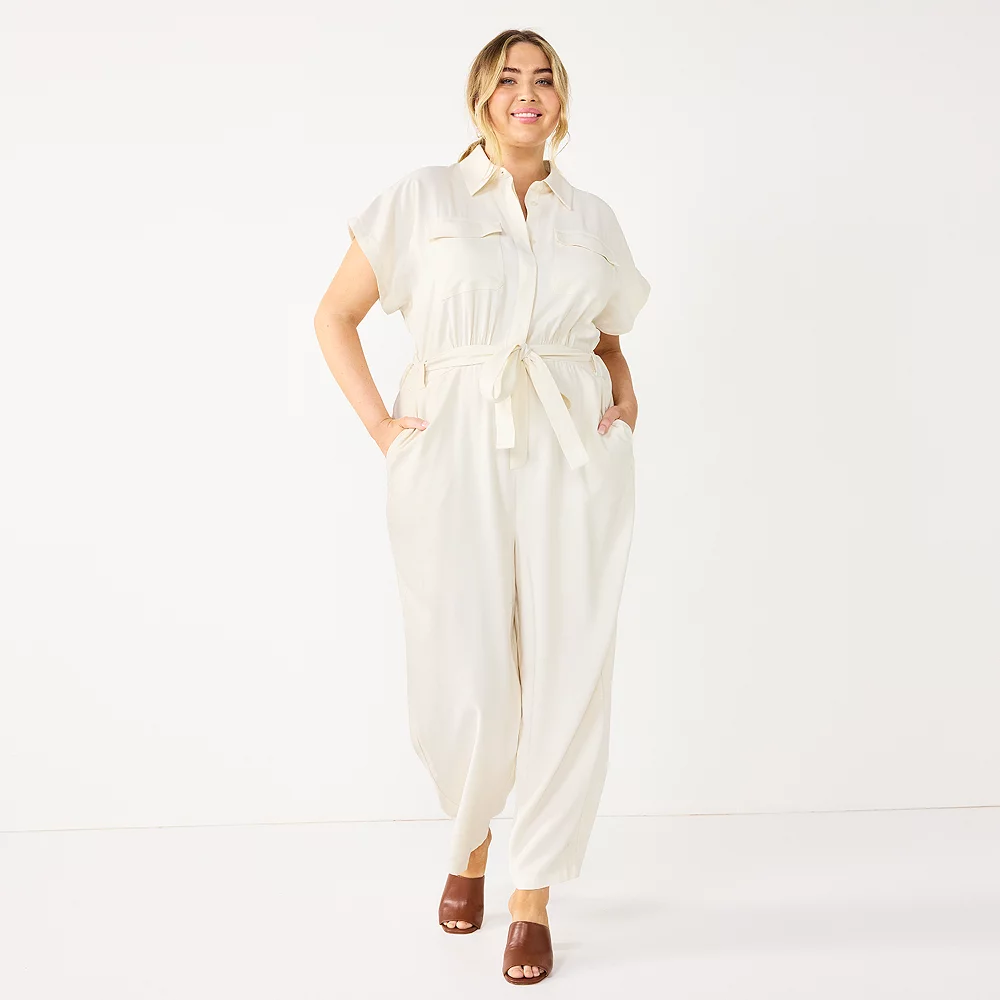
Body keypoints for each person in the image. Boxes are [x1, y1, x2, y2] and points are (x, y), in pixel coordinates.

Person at [314, 28, 650, 986]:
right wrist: (384, 429)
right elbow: (334, 316)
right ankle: (470, 839)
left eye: (544, 79)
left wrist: (624, 404)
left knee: (567, 663)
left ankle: (531, 892)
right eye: (508, 79)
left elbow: (609, 337)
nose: (526, 92)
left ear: (562, 101)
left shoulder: (592, 217)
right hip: (450, 440)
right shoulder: (423, 198)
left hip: (571, 448)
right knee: (460, 667)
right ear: (480, 97)